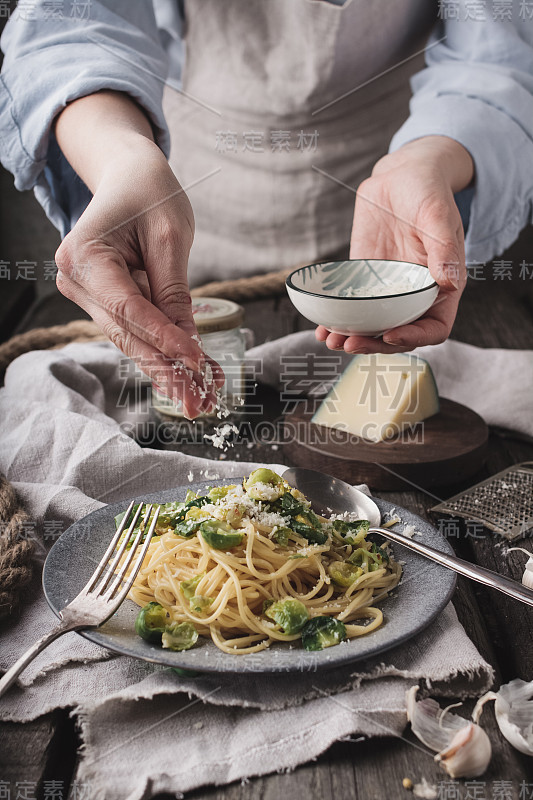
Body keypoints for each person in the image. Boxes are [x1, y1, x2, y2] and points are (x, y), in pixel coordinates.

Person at [1, 1, 533, 418]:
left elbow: (497, 51)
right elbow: (69, 26)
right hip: (178, 188)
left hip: (399, 198)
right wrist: (122, 163)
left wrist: (433, 158)